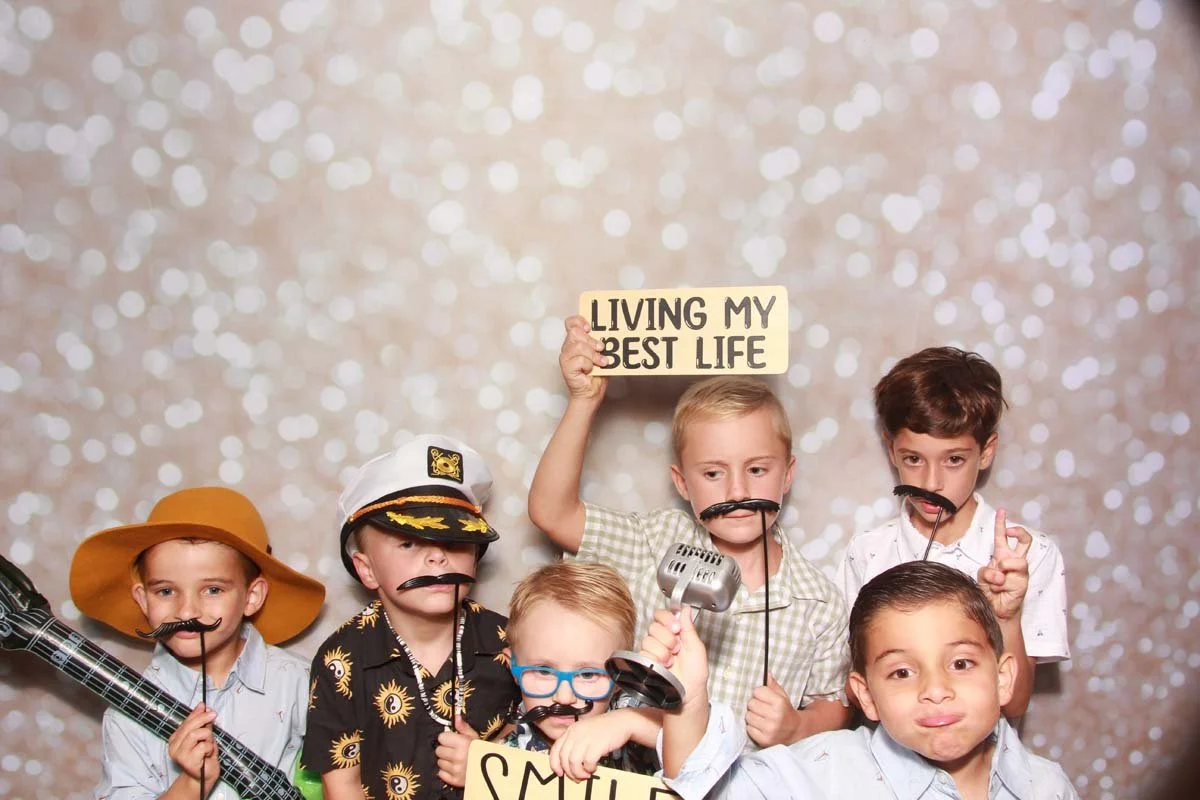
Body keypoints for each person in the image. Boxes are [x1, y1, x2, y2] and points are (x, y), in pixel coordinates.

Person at [529, 316, 850, 747]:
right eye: (714, 473)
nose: (738, 491)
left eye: (757, 469)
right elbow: (552, 512)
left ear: (787, 474)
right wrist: (583, 401)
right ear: (682, 483)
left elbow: (834, 701)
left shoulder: (819, 600)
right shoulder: (653, 542)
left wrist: (799, 726)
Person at [646, 561, 1079, 800]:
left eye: (961, 664)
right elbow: (708, 790)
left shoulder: (1048, 787)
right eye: (902, 672)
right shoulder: (823, 774)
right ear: (866, 697)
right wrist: (689, 695)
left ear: (1003, 678)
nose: (934, 689)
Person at [836, 347, 1069, 718]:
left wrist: (1006, 617)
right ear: (891, 450)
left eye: (954, 460)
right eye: (914, 459)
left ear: (987, 451)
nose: (931, 482)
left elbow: (1014, 706)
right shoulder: (867, 552)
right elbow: (853, 693)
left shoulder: (1026, 554)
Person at [69, 486, 326, 800]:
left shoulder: (300, 682)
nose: (187, 611)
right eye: (165, 591)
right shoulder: (126, 714)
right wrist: (191, 784)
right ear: (143, 599)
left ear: (252, 596)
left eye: (213, 590)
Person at [303, 435, 521, 800]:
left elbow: (542, 746)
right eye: (409, 542)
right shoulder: (339, 660)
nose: (437, 558)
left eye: (455, 541)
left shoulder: (514, 641)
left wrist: (490, 766)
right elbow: (342, 787)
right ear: (366, 569)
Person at [502, 561, 660, 780]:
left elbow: (699, 746)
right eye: (544, 671)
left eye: (587, 675)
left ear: (620, 676)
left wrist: (632, 723)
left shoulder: (632, 709)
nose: (564, 698)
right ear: (513, 667)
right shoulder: (504, 757)